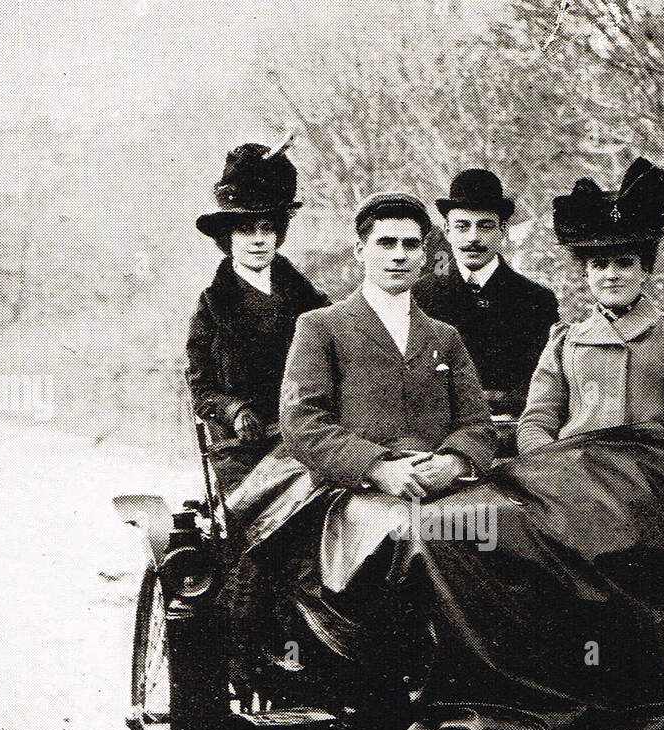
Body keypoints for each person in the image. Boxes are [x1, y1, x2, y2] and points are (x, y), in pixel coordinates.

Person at [280, 192, 497, 498]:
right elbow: (301, 422)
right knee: (415, 536)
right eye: (385, 243)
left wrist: (454, 462)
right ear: (360, 250)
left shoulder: (445, 336)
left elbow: (478, 424)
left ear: (423, 256)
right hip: (356, 491)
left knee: (499, 527)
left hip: (442, 489)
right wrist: (377, 468)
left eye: (410, 245)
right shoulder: (321, 326)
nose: (399, 255)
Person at [517, 158, 664, 461]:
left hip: (648, 484)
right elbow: (536, 422)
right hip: (572, 484)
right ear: (586, 272)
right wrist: (556, 465)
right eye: (599, 264)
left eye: (624, 263)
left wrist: (632, 469)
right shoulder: (566, 341)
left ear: (645, 270)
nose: (611, 275)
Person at [186, 140, 328, 495]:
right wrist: (234, 411)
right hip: (242, 453)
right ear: (228, 238)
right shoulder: (212, 307)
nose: (258, 240)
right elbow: (202, 390)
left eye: (267, 229)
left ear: (278, 235)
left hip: (306, 440)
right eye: (246, 230)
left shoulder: (311, 302)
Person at [413, 168, 559, 421]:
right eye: (462, 226)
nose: (473, 238)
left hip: (513, 430)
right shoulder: (419, 296)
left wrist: (508, 406)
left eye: (485, 226)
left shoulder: (536, 300)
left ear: (503, 230)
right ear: (447, 231)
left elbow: (543, 382)